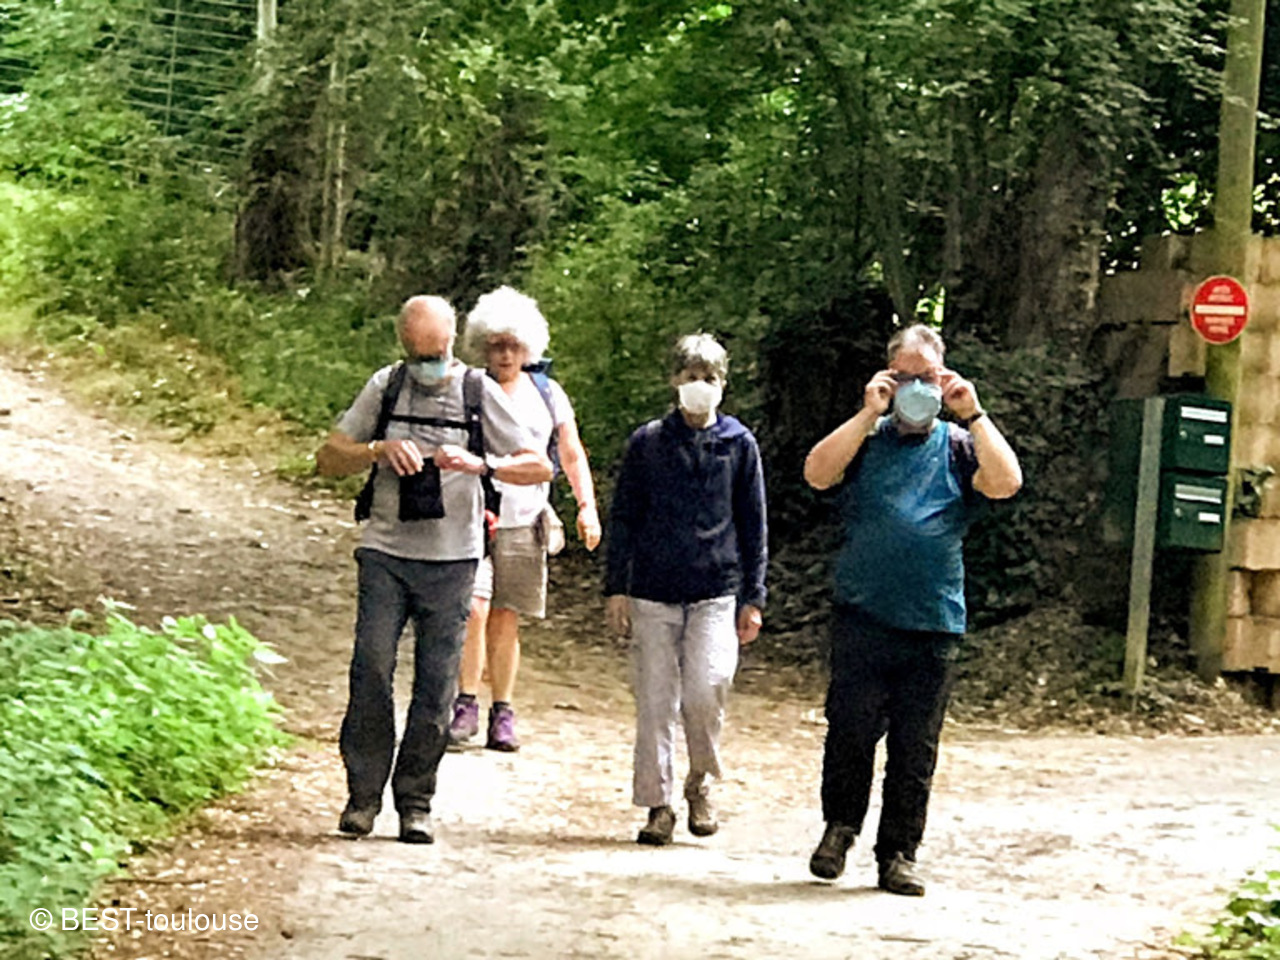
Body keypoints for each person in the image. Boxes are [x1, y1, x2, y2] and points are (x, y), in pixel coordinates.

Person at [316, 295, 551, 844]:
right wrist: (378, 450)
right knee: (371, 668)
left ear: (453, 343)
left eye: (438, 354)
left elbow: (539, 465)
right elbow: (328, 457)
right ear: (404, 347)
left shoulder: (478, 391)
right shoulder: (387, 386)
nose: (430, 366)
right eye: (419, 356)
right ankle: (363, 797)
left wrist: (482, 464)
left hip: (454, 558)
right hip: (386, 551)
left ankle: (415, 802)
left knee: (437, 684)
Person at [802, 323, 1022, 895]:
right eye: (904, 378)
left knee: (914, 748)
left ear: (942, 378)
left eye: (925, 377)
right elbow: (817, 473)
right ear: (888, 378)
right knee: (849, 733)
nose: (915, 389)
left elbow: (1006, 483)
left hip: (932, 622)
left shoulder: (958, 445)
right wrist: (865, 412)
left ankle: (899, 853)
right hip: (863, 614)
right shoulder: (867, 440)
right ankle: (839, 830)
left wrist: (974, 413)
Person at [604, 333, 767, 847]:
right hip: (653, 589)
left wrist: (754, 597)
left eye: (710, 378)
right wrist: (616, 587)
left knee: (707, 689)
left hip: (717, 590)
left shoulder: (739, 444)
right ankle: (658, 804)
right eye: (691, 376)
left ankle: (700, 781)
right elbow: (625, 517)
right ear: (674, 381)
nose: (700, 386)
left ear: (724, 384)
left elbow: (753, 524)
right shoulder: (648, 443)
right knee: (655, 701)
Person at [447, 286, 602, 752]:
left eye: (513, 345)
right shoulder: (468, 388)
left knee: (506, 616)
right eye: (496, 344)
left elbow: (570, 452)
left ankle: (503, 710)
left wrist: (587, 506)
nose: (505, 354)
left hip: (524, 518)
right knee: (473, 609)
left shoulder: (547, 393)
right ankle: (465, 702)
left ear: (528, 347)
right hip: (474, 516)